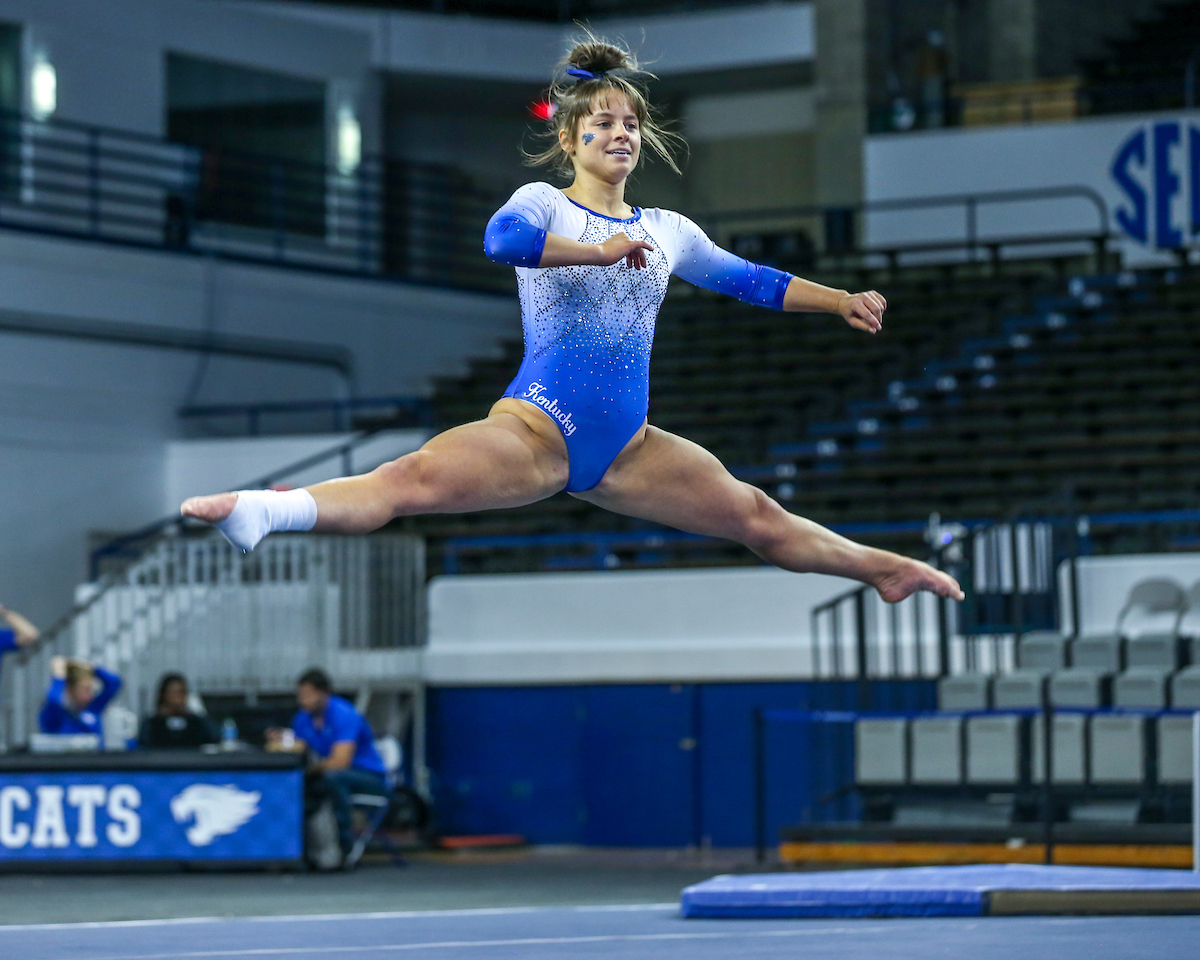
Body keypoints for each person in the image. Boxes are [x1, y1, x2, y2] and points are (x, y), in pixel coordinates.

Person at [180, 35, 963, 607]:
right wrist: (594, 252)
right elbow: (502, 242)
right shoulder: (545, 203)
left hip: (629, 448)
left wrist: (840, 300)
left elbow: (750, 280)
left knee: (758, 515)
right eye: (601, 125)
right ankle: (264, 511)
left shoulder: (668, 230)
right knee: (408, 481)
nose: (619, 134)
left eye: (629, 124)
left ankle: (881, 570)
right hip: (535, 431)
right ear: (570, 139)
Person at [268, 668, 386, 860]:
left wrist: (311, 769)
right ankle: (301, 848)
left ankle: (343, 844)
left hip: (368, 776)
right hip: (327, 774)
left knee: (331, 778)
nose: (302, 700)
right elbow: (300, 749)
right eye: (300, 695)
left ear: (323, 693)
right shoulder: (302, 718)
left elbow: (340, 762)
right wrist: (281, 742)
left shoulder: (345, 714)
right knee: (297, 783)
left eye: (307, 695)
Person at [39, 657, 123, 738]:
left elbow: (114, 683)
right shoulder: (56, 715)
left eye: (91, 689)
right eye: (85, 689)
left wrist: (90, 666)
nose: (90, 694)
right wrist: (59, 677)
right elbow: (53, 701)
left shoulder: (93, 708)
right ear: (70, 690)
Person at [138, 672, 218, 749]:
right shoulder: (151, 724)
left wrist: (199, 713)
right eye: (175, 692)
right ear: (164, 694)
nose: (180, 697)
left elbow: (215, 738)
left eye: (183, 692)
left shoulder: (196, 722)